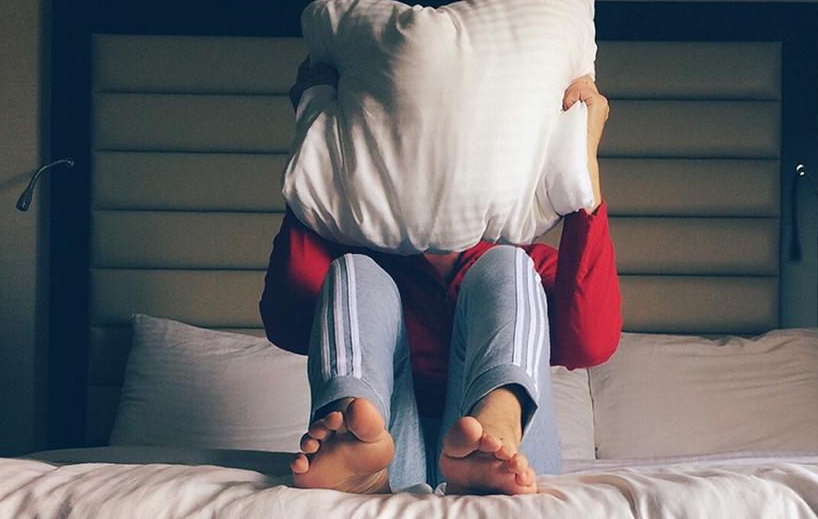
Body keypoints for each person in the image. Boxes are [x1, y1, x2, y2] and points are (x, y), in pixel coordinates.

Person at [260, 58, 621, 495]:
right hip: (391, 456)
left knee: (507, 267)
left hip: (508, 456)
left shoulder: (523, 265)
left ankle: (497, 424)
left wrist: (582, 153)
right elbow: (287, 319)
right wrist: (318, 129)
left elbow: (591, 341)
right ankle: (352, 442)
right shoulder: (367, 265)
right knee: (355, 270)